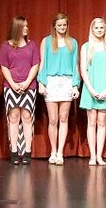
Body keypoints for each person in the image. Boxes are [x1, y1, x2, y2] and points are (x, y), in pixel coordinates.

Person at [38, 13, 80, 166]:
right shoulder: (47, 41)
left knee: (64, 118)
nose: (62, 27)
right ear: (54, 25)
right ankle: (53, 151)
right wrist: (41, 82)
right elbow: (43, 62)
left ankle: (60, 152)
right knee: (53, 119)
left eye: (64, 25)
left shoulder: (72, 42)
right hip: (51, 81)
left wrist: (76, 85)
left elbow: (76, 65)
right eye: (60, 25)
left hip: (67, 81)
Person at [0, 16, 40, 165]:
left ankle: (28, 151)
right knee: (14, 117)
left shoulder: (32, 45)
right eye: (23, 26)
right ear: (16, 28)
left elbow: (35, 64)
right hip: (11, 87)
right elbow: (3, 66)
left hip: (29, 86)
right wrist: (13, 84)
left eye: (27, 25)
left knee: (27, 117)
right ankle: (14, 151)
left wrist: (27, 82)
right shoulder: (6, 46)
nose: (26, 28)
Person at [79, 17, 106, 166]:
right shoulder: (86, 47)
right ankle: (92, 156)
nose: (99, 30)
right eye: (97, 28)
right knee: (91, 121)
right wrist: (91, 89)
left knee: (102, 122)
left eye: (101, 28)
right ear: (92, 29)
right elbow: (83, 70)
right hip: (90, 88)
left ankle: (99, 155)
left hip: (104, 88)